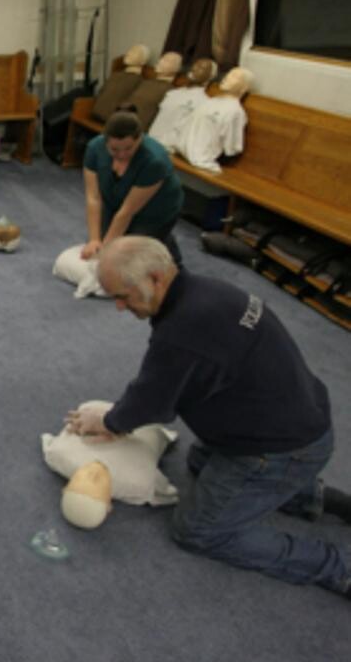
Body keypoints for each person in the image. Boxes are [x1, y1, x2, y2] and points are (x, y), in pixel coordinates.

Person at [66, 236, 351, 599]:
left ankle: (338, 567)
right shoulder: (206, 290)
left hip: (284, 448)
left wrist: (108, 422)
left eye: (124, 296)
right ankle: (321, 499)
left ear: (155, 278)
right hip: (302, 417)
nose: (120, 307)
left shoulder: (182, 332)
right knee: (201, 462)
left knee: (198, 531)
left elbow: (152, 403)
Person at [80, 105, 184, 265]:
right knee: (100, 242)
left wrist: (106, 253)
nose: (121, 155)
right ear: (105, 141)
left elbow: (126, 212)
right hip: (115, 200)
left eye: (128, 149)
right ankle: (159, 238)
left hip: (155, 210)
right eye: (114, 150)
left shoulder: (154, 161)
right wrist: (94, 240)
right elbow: (93, 198)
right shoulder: (94, 148)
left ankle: (164, 242)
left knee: (129, 258)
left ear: (140, 139)